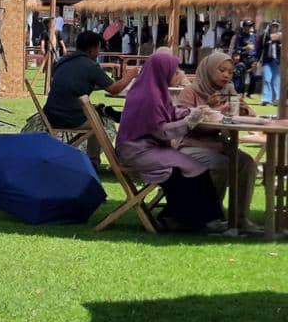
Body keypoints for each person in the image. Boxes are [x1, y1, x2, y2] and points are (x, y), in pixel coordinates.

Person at [116, 51, 225, 232]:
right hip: (137, 150)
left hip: (149, 147)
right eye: (175, 72)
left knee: (194, 167)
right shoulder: (147, 97)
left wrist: (194, 112)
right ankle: (194, 219)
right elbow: (161, 131)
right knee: (186, 169)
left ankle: (195, 217)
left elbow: (171, 113)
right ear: (162, 72)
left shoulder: (155, 90)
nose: (178, 75)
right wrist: (189, 122)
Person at [176, 52, 258, 231]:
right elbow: (187, 126)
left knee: (247, 163)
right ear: (208, 70)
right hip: (190, 144)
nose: (227, 75)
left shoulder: (228, 90)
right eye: (222, 70)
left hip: (219, 143)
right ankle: (212, 216)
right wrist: (210, 106)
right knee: (220, 163)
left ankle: (240, 217)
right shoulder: (190, 92)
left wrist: (244, 110)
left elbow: (247, 116)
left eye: (230, 72)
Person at [43, 31, 136, 131]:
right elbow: (114, 89)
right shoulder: (90, 65)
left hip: (49, 115)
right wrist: (130, 75)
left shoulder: (62, 61)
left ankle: (102, 111)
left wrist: (101, 85)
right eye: (98, 49)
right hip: (69, 119)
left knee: (94, 110)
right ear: (91, 49)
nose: (98, 53)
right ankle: (96, 146)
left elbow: (71, 83)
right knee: (101, 123)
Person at [258, 21, 281, 106]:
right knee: (267, 79)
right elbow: (259, 48)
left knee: (276, 80)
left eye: (276, 26)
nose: (274, 28)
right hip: (267, 60)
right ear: (270, 27)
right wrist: (257, 60)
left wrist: (280, 43)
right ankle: (266, 99)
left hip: (277, 61)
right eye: (273, 26)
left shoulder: (282, 36)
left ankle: (276, 99)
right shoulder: (264, 36)